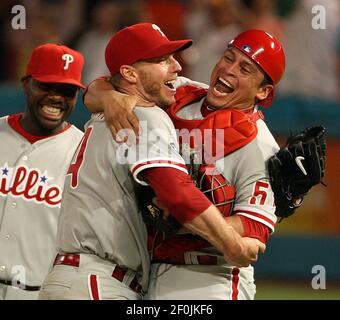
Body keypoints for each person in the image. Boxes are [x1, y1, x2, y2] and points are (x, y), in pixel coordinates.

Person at [39, 23, 264, 301]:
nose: (177, 67)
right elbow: (178, 194)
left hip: (76, 276)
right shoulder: (145, 115)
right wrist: (232, 246)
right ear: (130, 73)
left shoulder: (114, 109)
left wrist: (104, 92)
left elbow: (99, 86)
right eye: (162, 60)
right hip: (98, 281)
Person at [0, 43, 85, 300]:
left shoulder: (83, 152)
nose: (57, 98)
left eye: (67, 91)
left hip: (35, 293)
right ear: (27, 84)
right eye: (47, 87)